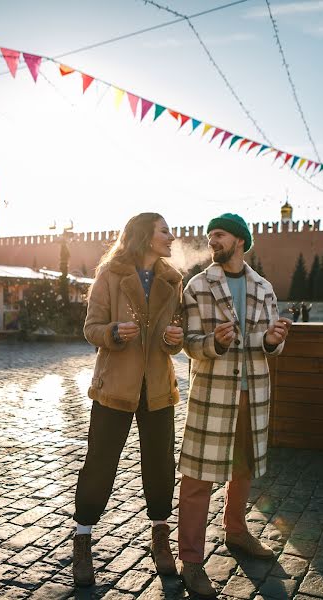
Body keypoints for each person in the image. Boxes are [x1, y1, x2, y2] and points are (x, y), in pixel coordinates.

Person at [178, 213, 291, 598]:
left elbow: (270, 342)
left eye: (220, 235)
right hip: (211, 393)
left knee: (243, 466)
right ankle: (190, 560)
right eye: (210, 235)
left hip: (253, 392)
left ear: (240, 241)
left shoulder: (264, 288)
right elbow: (189, 343)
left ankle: (237, 532)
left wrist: (273, 339)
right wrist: (216, 343)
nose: (213, 241)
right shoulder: (198, 285)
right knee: (196, 478)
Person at [73, 213, 184, 587]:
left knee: (160, 462)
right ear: (144, 236)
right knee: (100, 461)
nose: (172, 236)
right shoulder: (110, 275)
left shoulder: (173, 280)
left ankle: (160, 535)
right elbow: (91, 329)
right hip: (115, 386)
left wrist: (174, 339)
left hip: (157, 388)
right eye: (164, 231)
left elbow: (177, 336)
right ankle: (83, 537)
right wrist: (114, 332)